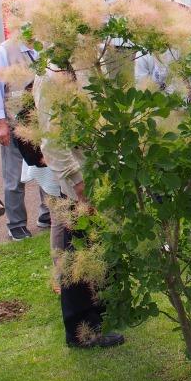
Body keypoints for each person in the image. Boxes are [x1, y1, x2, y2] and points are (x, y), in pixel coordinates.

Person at [33, 64, 125, 349]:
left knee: (95, 248)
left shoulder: (85, 64)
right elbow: (52, 141)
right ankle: (80, 330)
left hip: (97, 173)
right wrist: (77, 180)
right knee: (78, 253)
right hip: (78, 180)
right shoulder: (51, 75)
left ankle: (98, 317)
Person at [0, 38, 50, 240]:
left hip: (41, 122)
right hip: (15, 122)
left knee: (45, 167)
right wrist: (0, 123)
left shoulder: (44, 46)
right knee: (13, 175)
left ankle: (47, 213)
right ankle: (16, 224)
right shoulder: (4, 51)